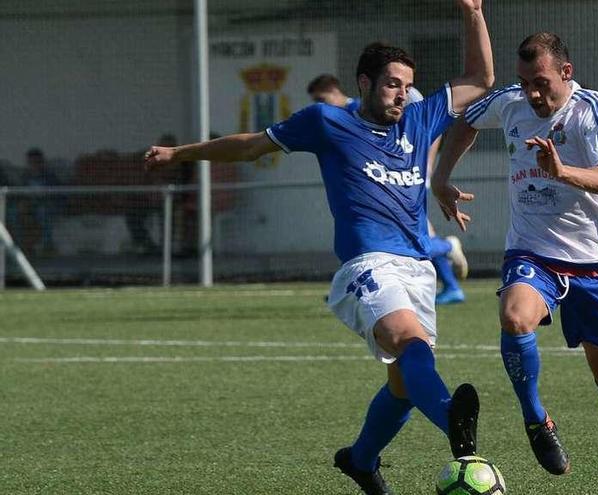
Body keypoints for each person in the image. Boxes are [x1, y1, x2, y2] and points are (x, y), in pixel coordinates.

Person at [145, 2, 493, 493]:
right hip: (367, 266)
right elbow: (249, 145)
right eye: (392, 83)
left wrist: (473, 12)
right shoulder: (329, 123)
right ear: (365, 83)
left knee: (402, 384)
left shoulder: (418, 119)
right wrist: (180, 153)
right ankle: (456, 429)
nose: (401, 93)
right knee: (413, 348)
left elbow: (480, 77)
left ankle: (361, 459)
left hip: (417, 269)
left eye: (406, 84)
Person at [433, 32, 598, 495]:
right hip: (531, 252)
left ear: (565, 73)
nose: (532, 92)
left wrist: (562, 171)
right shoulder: (510, 103)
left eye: (541, 81)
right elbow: (465, 122)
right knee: (514, 316)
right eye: (525, 81)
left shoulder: (590, 111)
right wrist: (441, 177)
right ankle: (535, 418)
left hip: (592, 261)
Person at [307, 73, 469, 305]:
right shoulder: (342, 115)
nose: (319, 105)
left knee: (411, 237)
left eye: (321, 98)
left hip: (399, 183)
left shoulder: (367, 109)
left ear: (334, 91)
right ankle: (451, 284)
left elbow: (427, 130)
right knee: (405, 233)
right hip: (378, 188)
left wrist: (426, 167)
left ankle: (447, 248)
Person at [22, 148, 59, 255]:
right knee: (15, 214)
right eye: (31, 162)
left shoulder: (50, 176)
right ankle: (23, 246)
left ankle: (47, 245)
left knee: (43, 213)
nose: (34, 165)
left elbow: (56, 194)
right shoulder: (25, 177)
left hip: (47, 205)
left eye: (36, 162)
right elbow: (19, 193)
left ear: (42, 162)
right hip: (30, 205)